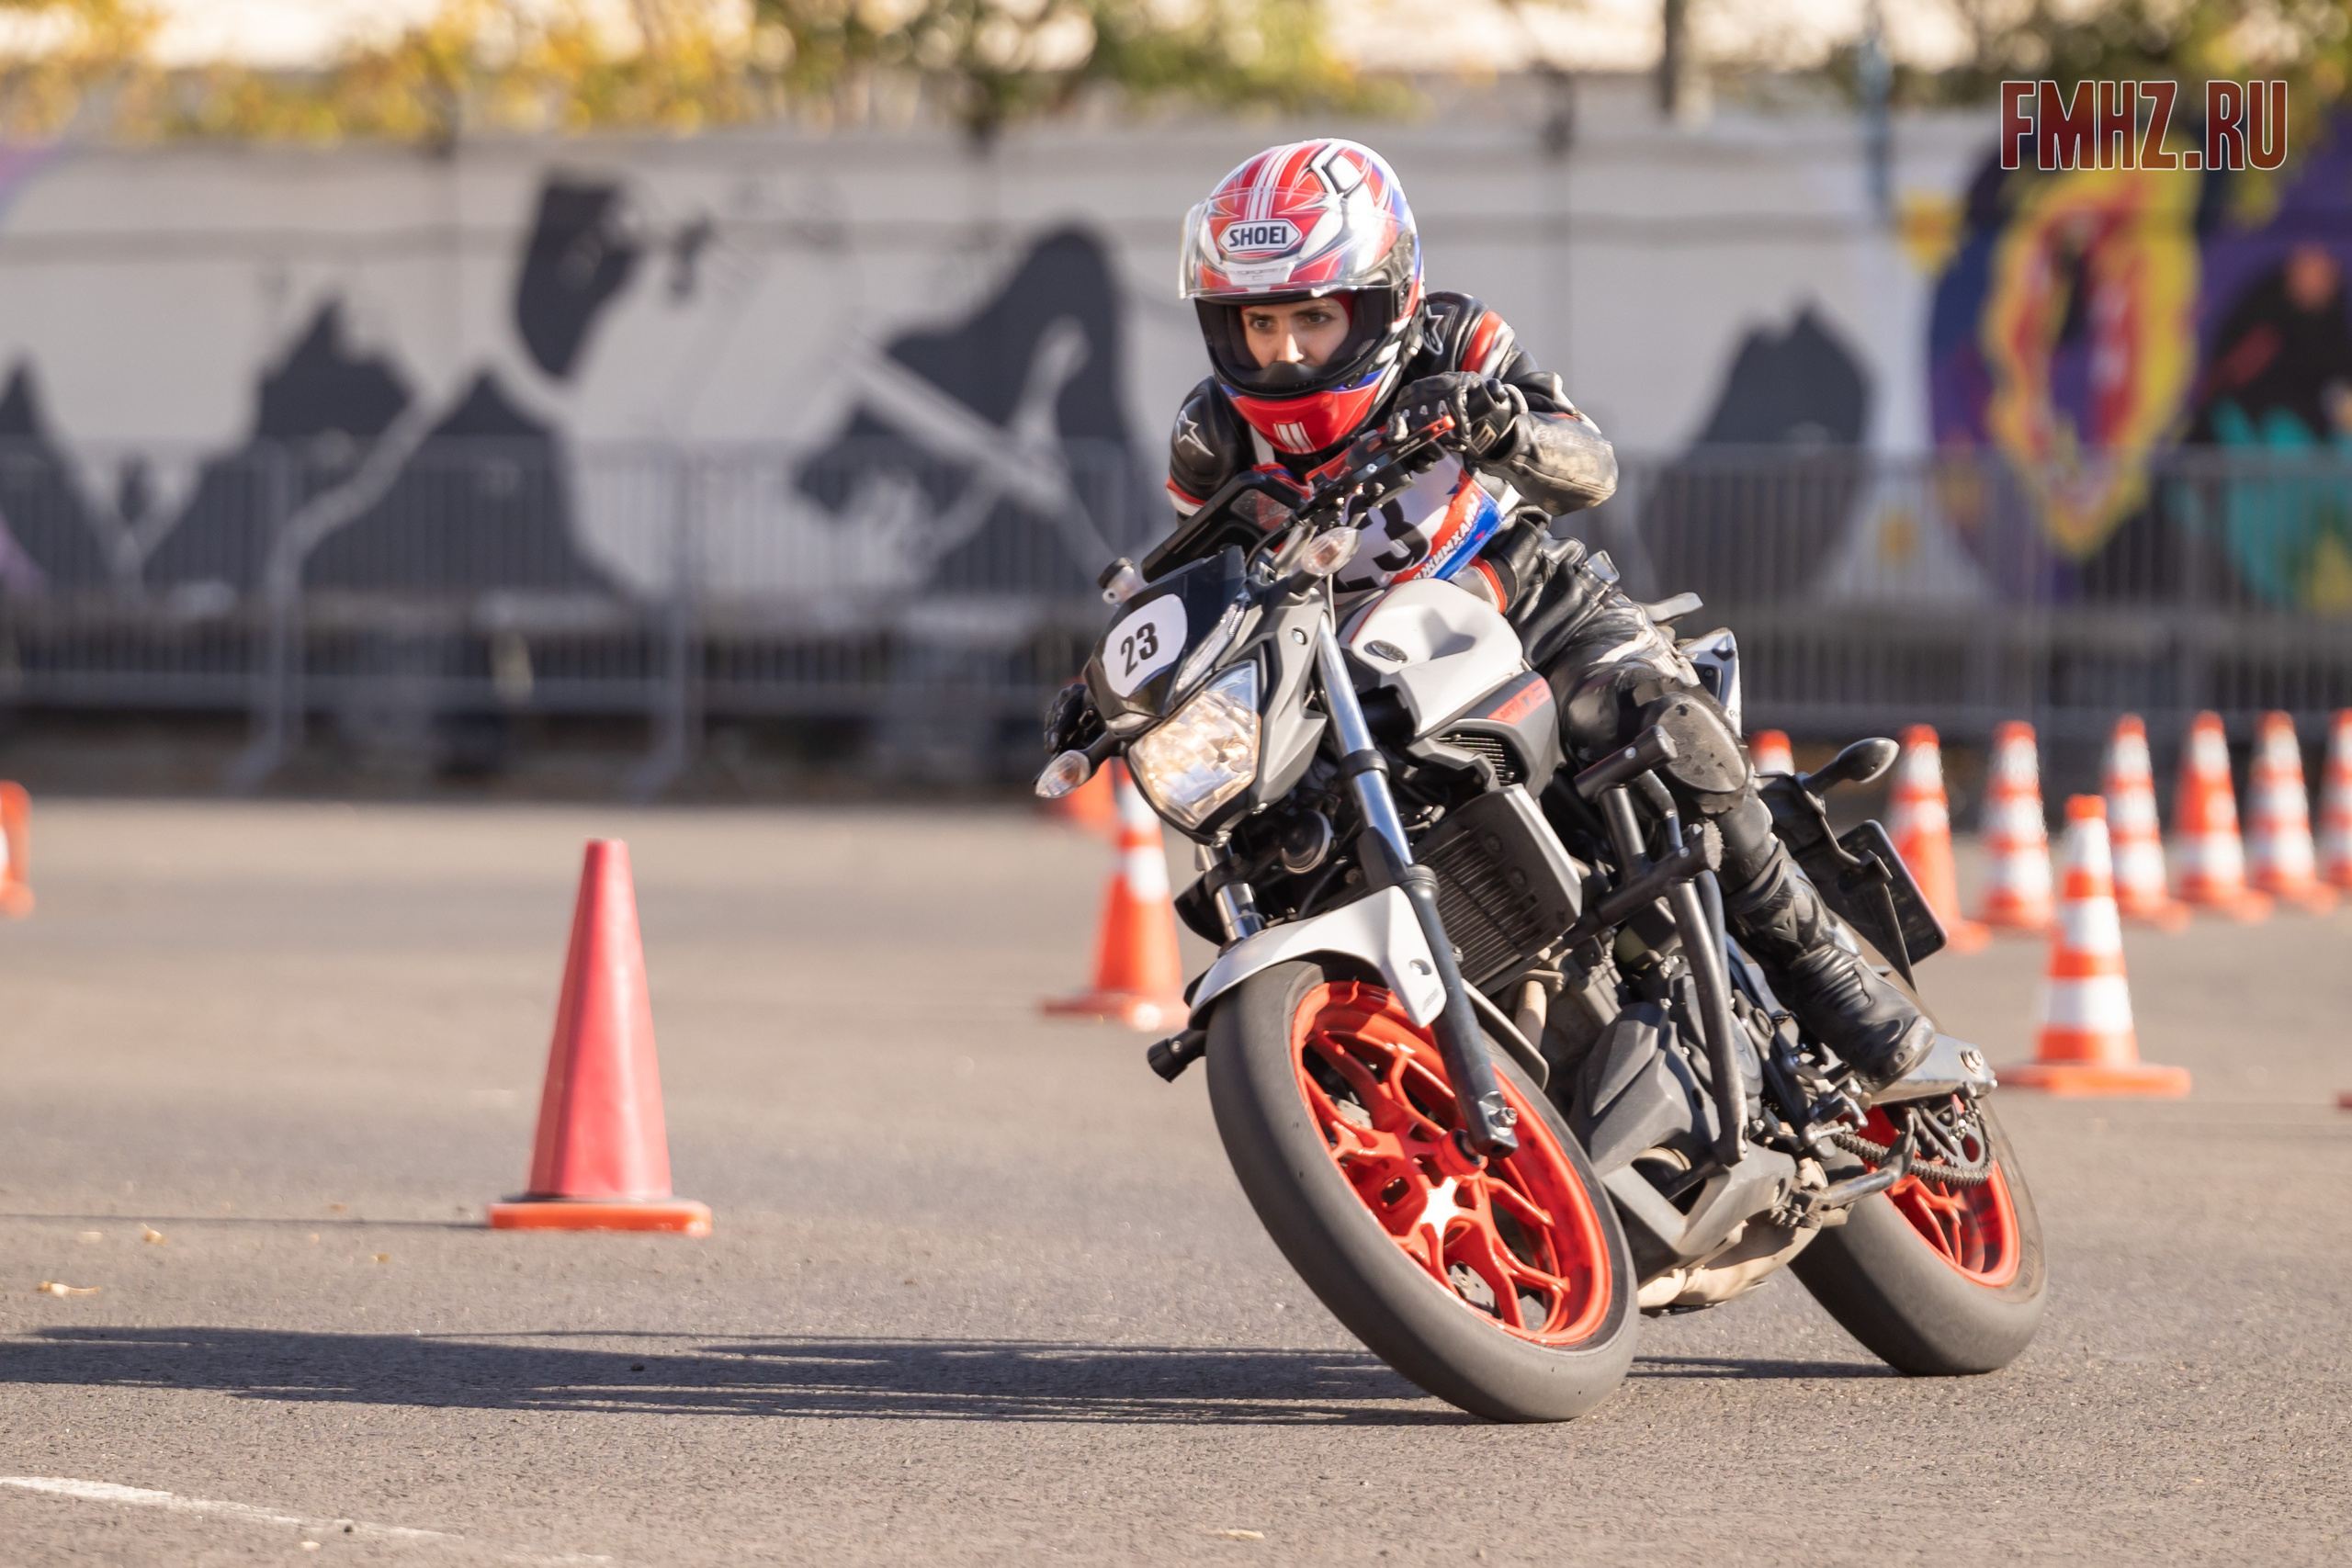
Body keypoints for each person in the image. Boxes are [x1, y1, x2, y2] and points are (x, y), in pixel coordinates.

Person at [1057, 137, 1931, 1092]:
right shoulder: (1211, 435)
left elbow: (1588, 464)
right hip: (1350, 678)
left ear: (1383, 300)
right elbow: (1193, 577)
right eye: (1259, 323)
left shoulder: (1454, 338)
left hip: (1521, 603)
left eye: (1312, 315)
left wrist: (1504, 425)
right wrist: (1107, 681)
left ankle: (1819, 964)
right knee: (1271, 844)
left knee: (1651, 715)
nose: (1286, 349)